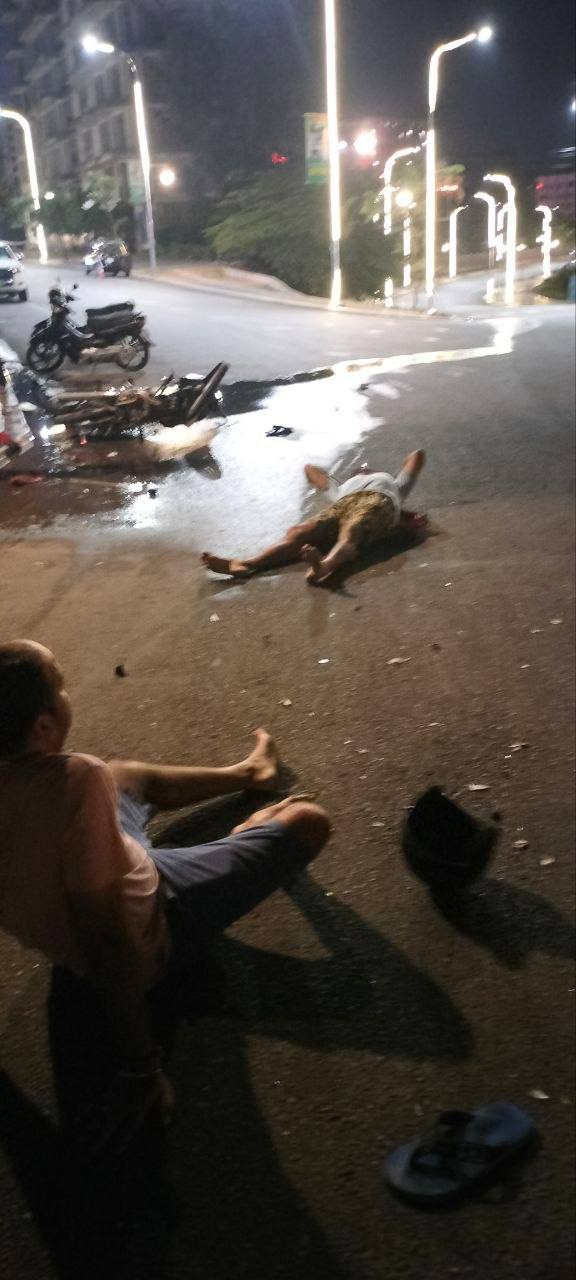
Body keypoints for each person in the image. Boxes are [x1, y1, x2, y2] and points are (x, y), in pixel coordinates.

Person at [0, 640, 330, 1148]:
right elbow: (106, 937)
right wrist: (141, 1065)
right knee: (309, 821)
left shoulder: (56, 783)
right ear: (43, 728)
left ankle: (249, 773)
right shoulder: (74, 781)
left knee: (119, 776)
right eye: (61, 685)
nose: (68, 694)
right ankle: (249, 831)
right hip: (157, 919)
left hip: (103, 872)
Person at [202, 449, 426, 586]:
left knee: (353, 529)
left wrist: (398, 485)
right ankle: (245, 563)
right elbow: (309, 469)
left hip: (378, 500)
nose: (363, 471)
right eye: (360, 471)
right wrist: (330, 480)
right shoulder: (340, 488)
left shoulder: (394, 485)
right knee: (298, 533)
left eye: (365, 470)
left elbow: (417, 456)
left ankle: (325, 566)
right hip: (342, 503)